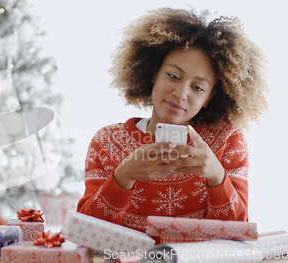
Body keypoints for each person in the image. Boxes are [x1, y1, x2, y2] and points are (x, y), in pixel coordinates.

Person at [77, 7, 268, 241]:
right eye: (173, 76)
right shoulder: (106, 142)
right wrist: (123, 176)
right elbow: (86, 235)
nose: (180, 94)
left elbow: (236, 239)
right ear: (153, 73)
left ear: (209, 97)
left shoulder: (228, 141)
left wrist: (217, 177)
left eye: (197, 88)